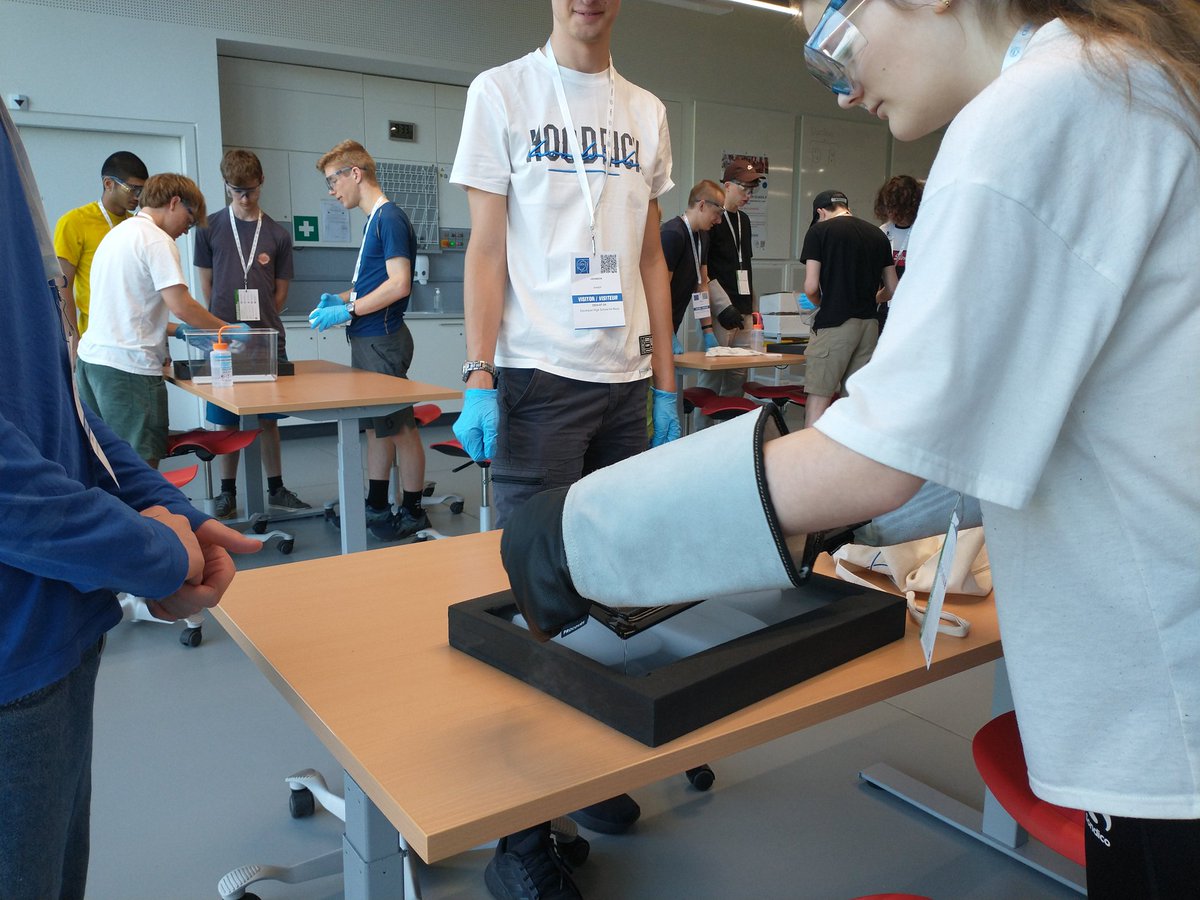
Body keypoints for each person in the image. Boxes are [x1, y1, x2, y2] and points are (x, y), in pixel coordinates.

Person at [499, 1, 1200, 897]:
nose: (842, 81)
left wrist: (576, 532)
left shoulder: (1049, 105)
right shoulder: (1135, 83)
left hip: (1165, 704)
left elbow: (880, 458)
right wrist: (826, 521)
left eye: (832, 33)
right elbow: (1009, 441)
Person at [0, 103, 260, 900]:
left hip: (58, 626)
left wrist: (167, 517)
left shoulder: (76, 209)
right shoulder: (147, 239)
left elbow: (61, 408)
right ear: (176, 207)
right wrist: (153, 552)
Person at [449, 0, 680, 895]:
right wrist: (477, 373)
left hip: (624, 387)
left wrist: (664, 385)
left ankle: (585, 776)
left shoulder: (647, 112)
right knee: (535, 601)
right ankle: (519, 842)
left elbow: (654, 262)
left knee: (617, 595)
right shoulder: (500, 92)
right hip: (537, 381)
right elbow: (486, 246)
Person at [309, 140, 428, 541]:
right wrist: (342, 299)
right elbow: (372, 284)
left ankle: (412, 510)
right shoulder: (375, 220)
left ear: (354, 173)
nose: (331, 190)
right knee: (379, 428)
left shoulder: (389, 218)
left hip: (382, 340)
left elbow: (398, 285)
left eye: (333, 180)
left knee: (399, 428)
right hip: (368, 338)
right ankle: (377, 505)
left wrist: (350, 310)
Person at [75, 173, 236, 469]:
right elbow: (182, 305)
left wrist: (178, 332)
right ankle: (145, 517)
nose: (186, 232)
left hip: (92, 364)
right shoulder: (156, 240)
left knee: (106, 463)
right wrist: (225, 329)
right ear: (174, 203)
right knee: (139, 470)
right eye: (188, 221)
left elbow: (128, 309)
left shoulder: (118, 235)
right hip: (128, 371)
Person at [194, 149, 310, 519]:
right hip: (223, 338)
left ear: (262, 183)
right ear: (226, 186)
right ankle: (228, 493)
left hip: (267, 337)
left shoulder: (277, 233)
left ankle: (276, 487)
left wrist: (260, 323)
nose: (245, 198)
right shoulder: (209, 227)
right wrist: (223, 325)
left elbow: (280, 291)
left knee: (268, 420)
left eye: (252, 190)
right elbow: (207, 287)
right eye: (237, 191)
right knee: (227, 419)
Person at [799, 188, 897, 427]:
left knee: (819, 397)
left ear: (820, 212)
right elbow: (893, 288)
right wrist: (871, 299)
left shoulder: (818, 232)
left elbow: (811, 287)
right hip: (869, 326)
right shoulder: (878, 235)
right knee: (853, 402)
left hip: (835, 325)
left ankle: (811, 461)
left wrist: (823, 303)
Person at [53, 150, 148, 342]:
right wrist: (73, 339)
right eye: (133, 189)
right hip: (97, 339)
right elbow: (62, 286)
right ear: (108, 184)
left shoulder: (139, 225)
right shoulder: (74, 222)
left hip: (139, 337)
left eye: (143, 191)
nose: (138, 197)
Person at [701, 157, 764, 396]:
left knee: (738, 377)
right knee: (712, 378)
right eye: (743, 188)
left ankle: (730, 429)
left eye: (751, 190)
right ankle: (703, 431)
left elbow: (745, 265)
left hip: (744, 309)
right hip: (720, 311)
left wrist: (753, 307)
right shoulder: (714, 219)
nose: (748, 194)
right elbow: (703, 271)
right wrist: (721, 306)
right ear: (727, 185)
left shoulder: (745, 221)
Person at [659, 179, 726, 351]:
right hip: (656, 325)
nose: (718, 221)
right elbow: (660, 289)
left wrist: (707, 330)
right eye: (717, 213)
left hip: (673, 322)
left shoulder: (703, 237)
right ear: (702, 205)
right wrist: (667, 332)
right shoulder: (672, 234)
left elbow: (701, 285)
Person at [872, 173, 923, 331]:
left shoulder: (924, 231)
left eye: (897, 207)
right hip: (886, 307)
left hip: (915, 308)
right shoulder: (883, 232)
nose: (892, 213)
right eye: (889, 207)